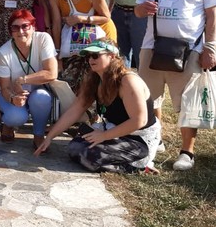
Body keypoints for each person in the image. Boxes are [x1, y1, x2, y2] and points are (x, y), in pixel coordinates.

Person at [134, 0, 216, 171]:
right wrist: (144, 9)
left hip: (189, 48)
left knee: (187, 102)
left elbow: (212, 15)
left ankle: (186, 152)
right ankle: (155, 138)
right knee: (150, 98)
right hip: (153, 46)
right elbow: (138, 10)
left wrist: (210, 48)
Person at [36, 40, 161, 174]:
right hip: (114, 131)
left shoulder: (128, 81)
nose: (90, 59)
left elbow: (139, 121)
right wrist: (50, 137)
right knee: (74, 147)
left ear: (112, 56)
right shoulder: (94, 79)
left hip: (138, 139)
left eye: (96, 55)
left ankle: (138, 167)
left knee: (91, 157)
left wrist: (104, 136)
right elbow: (75, 109)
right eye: (88, 56)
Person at [48, 0, 116, 94]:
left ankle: (99, 113)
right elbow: (55, 23)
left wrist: (82, 19)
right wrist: (57, 53)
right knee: (71, 80)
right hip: (75, 40)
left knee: (100, 79)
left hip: (101, 35)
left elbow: (106, 17)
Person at [0, 10, 58, 149]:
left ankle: (38, 135)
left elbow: (52, 73)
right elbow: (4, 87)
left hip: (38, 90)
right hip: (12, 92)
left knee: (42, 97)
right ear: (11, 32)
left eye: (25, 26)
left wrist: (22, 80)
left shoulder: (43, 39)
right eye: (15, 27)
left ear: (33, 27)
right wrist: (13, 99)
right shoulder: (2, 53)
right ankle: (8, 124)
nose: (21, 31)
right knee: (16, 117)